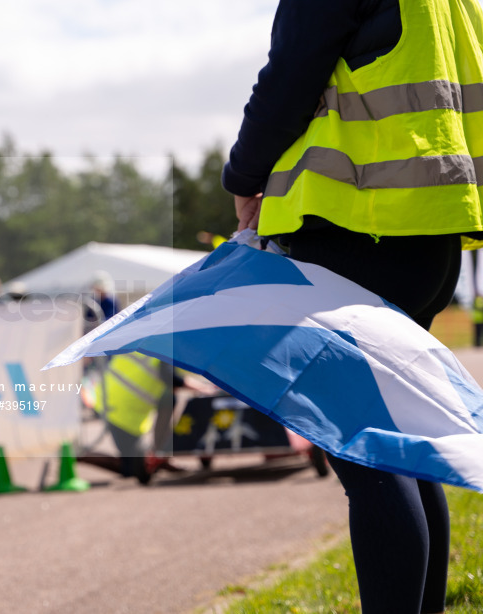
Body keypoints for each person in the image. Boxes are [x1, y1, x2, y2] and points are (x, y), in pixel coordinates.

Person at [222, 1, 483, 611]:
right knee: (400, 445)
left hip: (355, 228)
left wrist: (242, 175)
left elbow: (291, 71)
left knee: (367, 454)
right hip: (433, 233)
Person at [93, 352, 210, 484]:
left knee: (168, 398)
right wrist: (201, 387)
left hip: (116, 402)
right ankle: (79, 456)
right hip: (118, 407)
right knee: (131, 467)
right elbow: (170, 377)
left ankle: (159, 454)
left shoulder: (150, 341)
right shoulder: (163, 346)